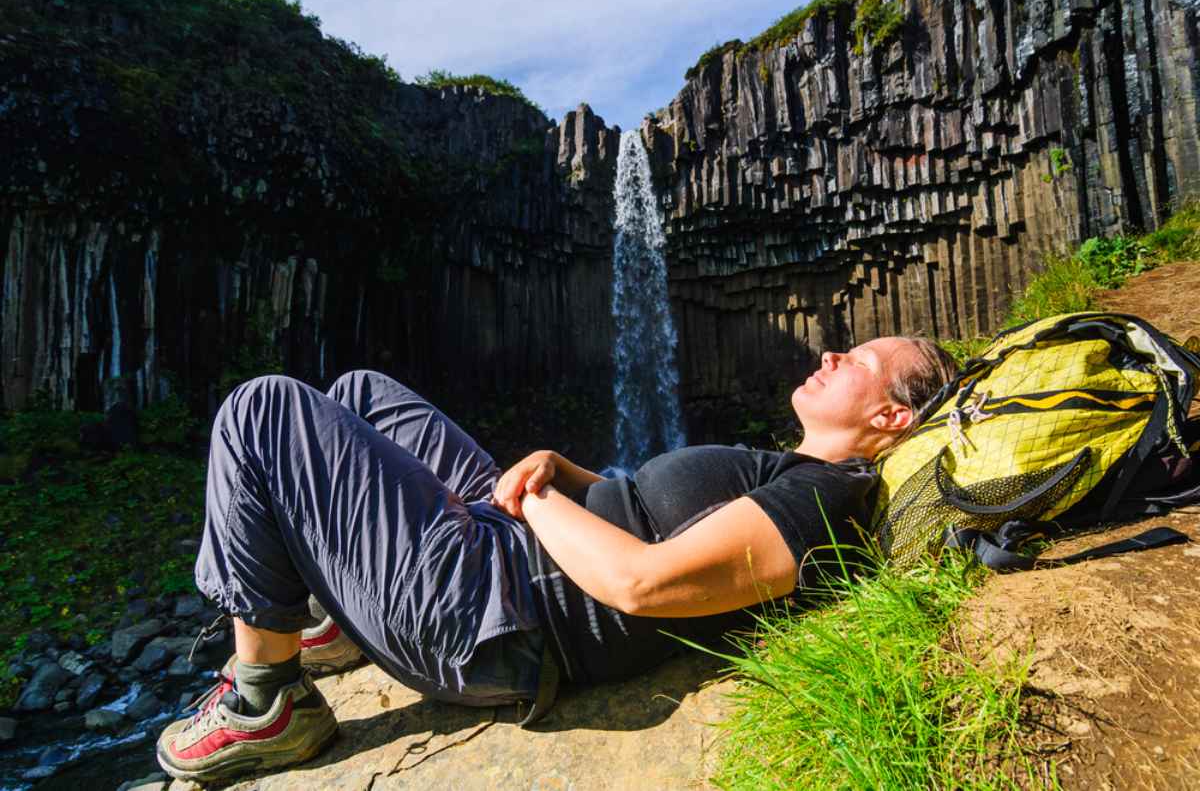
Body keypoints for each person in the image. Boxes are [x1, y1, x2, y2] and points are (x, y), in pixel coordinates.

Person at [155, 336, 958, 783]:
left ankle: (267, 699)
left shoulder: (822, 498)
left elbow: (642, 583)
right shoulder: (789, 469)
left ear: (892, 414)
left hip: (494, 614)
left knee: (262, 411)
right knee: (361, 390)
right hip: (505, 551)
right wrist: (564, 471)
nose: (827, 354)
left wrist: (536, 501)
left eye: (854, 361)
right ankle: (338, 613)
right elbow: (645, 512)